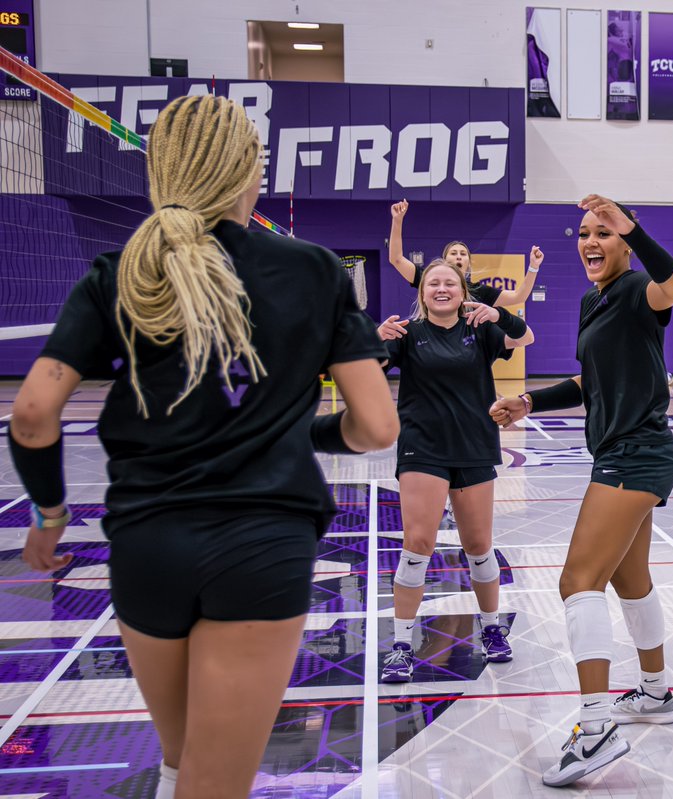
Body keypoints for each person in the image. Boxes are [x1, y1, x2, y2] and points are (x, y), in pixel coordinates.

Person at [8, 94, 398, 798]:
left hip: (147, 543)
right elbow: (376, 428)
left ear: (162, 170)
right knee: (216, 784)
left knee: (181, 759)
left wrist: (51, 514)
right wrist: (301, 430)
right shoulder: (314, 270)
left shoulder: (122, 270)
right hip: (261, 542)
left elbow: (33, 412)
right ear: (249, 170)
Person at [490, 195, 673, 788]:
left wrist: (633, 224)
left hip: (636, 453)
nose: (590, 242)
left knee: (577, 580)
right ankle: (655, 691)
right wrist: (530, 401)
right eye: (583, 233)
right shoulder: (591, 299)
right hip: (620, 453)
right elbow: (589, 380)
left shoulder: (637, 289)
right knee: (631, 580)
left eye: (604, 232)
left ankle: (597, 725)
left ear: (626, 241)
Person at [377, 260, 535, 683]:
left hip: (474, 446)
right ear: (422, 292)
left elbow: (525, 337)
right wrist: (372, 340)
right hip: (422, 448)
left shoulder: (480, 328)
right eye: (434, 283)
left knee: (479, 545)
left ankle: (491, 628)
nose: (442, 288)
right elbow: (368, 370)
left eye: (450, 282)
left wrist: (499, 313)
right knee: (418, 545)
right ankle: (401, 645)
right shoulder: (407, 333)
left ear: (464, 291)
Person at [387, 199, 543, 307]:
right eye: (453, 253)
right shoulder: (428, 278)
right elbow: (396, 259)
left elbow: (518, 296)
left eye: (463, 254)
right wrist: (397, 221)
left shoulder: (477, 291)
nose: (459, 256)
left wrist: (533, 267)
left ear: (468, 263)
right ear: (445, 260)